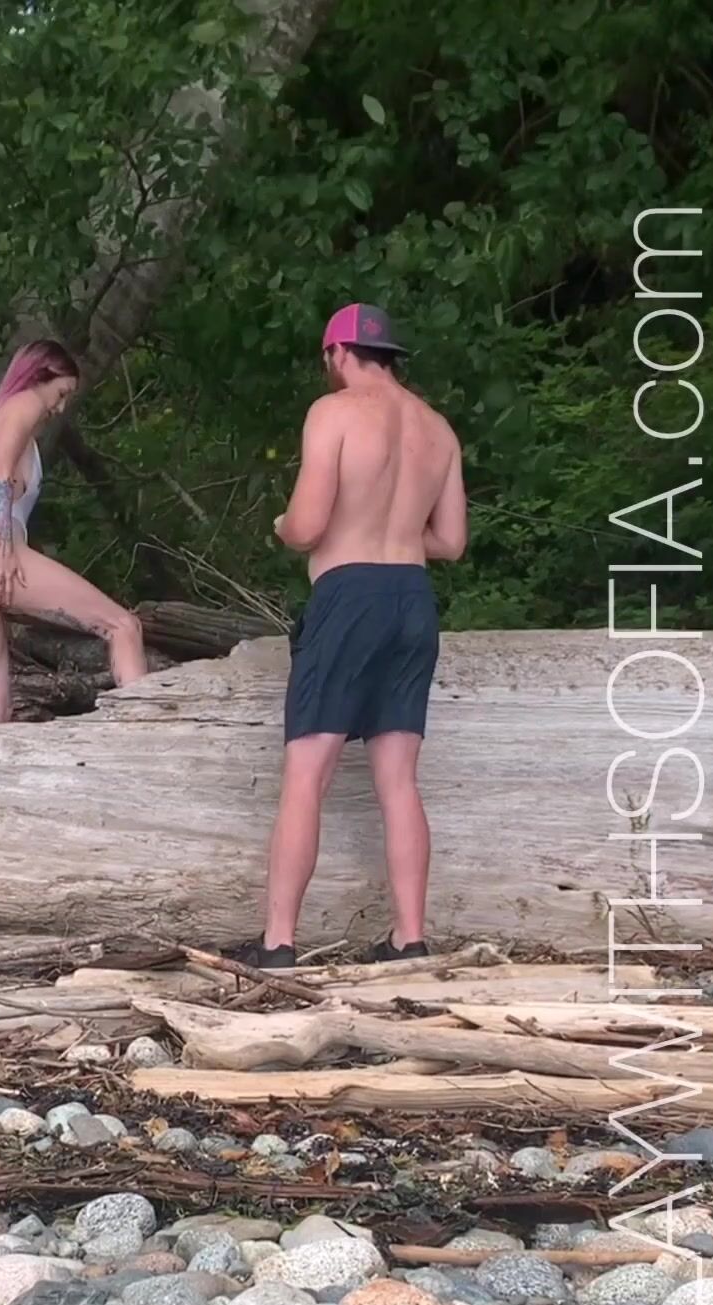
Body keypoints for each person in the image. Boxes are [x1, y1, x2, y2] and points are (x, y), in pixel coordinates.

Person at [240, 302, 467, 970]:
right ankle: (409, 939)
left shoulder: (333, 412)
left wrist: (284, 526)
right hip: (412, 598)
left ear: (338, 353)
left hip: (349, 597)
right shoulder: (438, 428)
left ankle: (278, 942)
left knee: (307, 773)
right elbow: (451, 541)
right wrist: (392, 527)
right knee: (399, 780)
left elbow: (308, 525)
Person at [0, 339, 146, 721]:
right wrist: (0, 549)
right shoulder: (25, 402)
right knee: (123, 626)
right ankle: (147, 736)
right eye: (61, 392)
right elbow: (0, 473)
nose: (60, 407)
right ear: (39, 376)